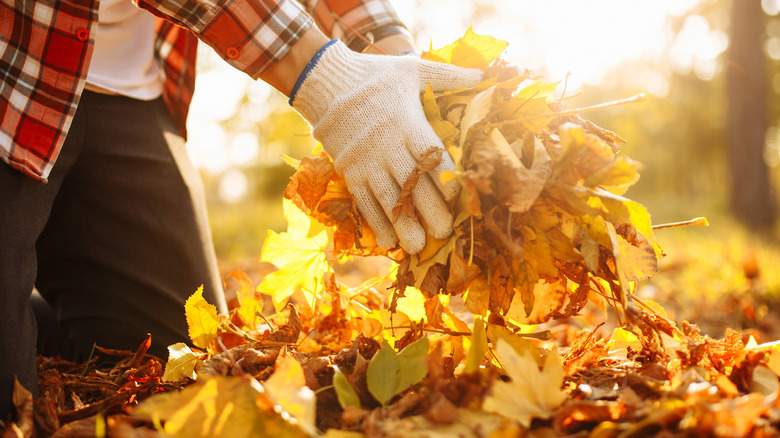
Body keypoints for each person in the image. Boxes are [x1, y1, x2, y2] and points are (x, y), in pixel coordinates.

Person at [0, 0, 482, 420]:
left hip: (122, 89)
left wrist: (392, 55)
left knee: (173, 359)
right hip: (13, 65)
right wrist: (324, 77)